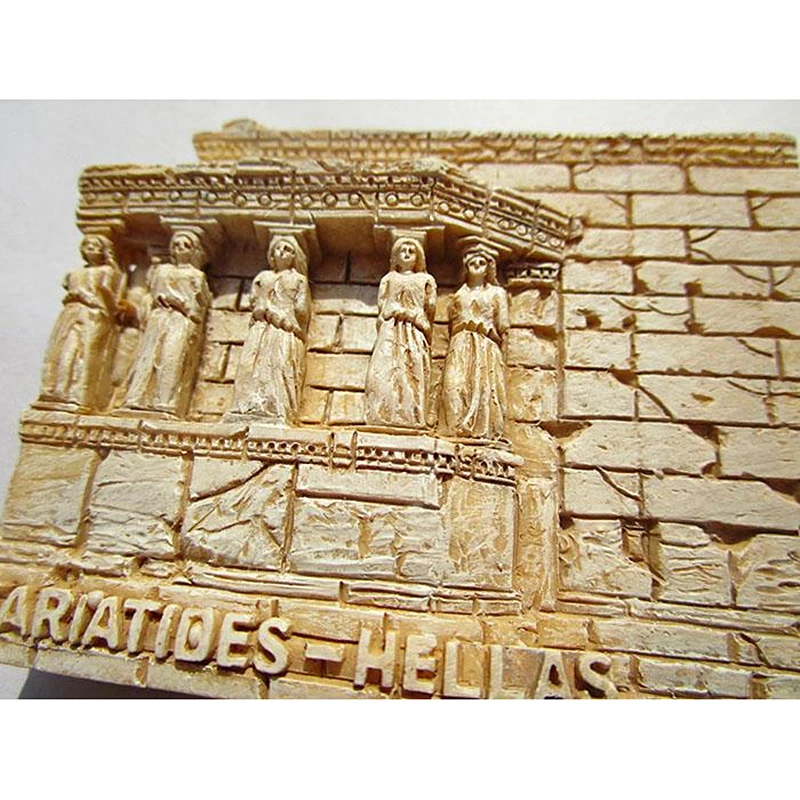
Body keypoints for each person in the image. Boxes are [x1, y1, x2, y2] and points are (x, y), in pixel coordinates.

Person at [122, 230, 211, 417]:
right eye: (176, 245)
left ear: (194, 250)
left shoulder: (196, 276)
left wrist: (188, 313)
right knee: (147, 356)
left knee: (172, 357)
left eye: (186, 245)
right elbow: (151, 293)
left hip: (180, 318)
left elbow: (201, 303)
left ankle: (164, 402)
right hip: (159, 316)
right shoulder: (162, 271)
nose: (180, 249)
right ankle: (135, 398)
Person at [38, 234, 125, 411]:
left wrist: (107, 308)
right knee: (64, 350)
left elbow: (108, 296)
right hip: (72, 311)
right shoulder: (75, 273)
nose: (91, 248)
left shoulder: (107, 271)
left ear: (104, 250)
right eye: (88, 245)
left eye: (96, 245)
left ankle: (80, 396)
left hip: (94, 314)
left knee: (86, 353)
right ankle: (59, 391)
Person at [230, 235, 311, 423]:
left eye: (288, 249)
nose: (282, 252)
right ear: (271, 254)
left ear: (295, 256)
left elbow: (302, 309)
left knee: (280, 364)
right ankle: (247, 405)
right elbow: (254, 300)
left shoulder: (298, 279)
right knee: (252, 363)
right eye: (278, 248)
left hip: (284, 328)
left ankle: (277, 408)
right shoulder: (263, 277)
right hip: (262, 326)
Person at [364, 237, 436, 429]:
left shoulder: (426, 280)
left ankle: (411, 414)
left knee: (413, 367)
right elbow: (382, 303)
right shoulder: (388, 279)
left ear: (418, 257)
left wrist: (414, 316)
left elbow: (430, 307)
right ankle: (383, 412)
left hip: (414, 329)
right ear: (394, 256)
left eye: (411, 251)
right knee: (384, 366)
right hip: (391, 327)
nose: (406, 254)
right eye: (402, 250)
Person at [441, 244, 509, 440]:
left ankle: (484, 431)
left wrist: (492, 333)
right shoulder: (459, 294)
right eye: (473, 262)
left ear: (488, 268)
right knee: (454, 384)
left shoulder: (497, 293)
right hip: (460, 343)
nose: (477, 265)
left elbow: (503, 325)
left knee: (485, 387)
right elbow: (451, 323)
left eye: (482, 262)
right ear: (466, 267)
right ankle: (455, 427)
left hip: (486, 344)